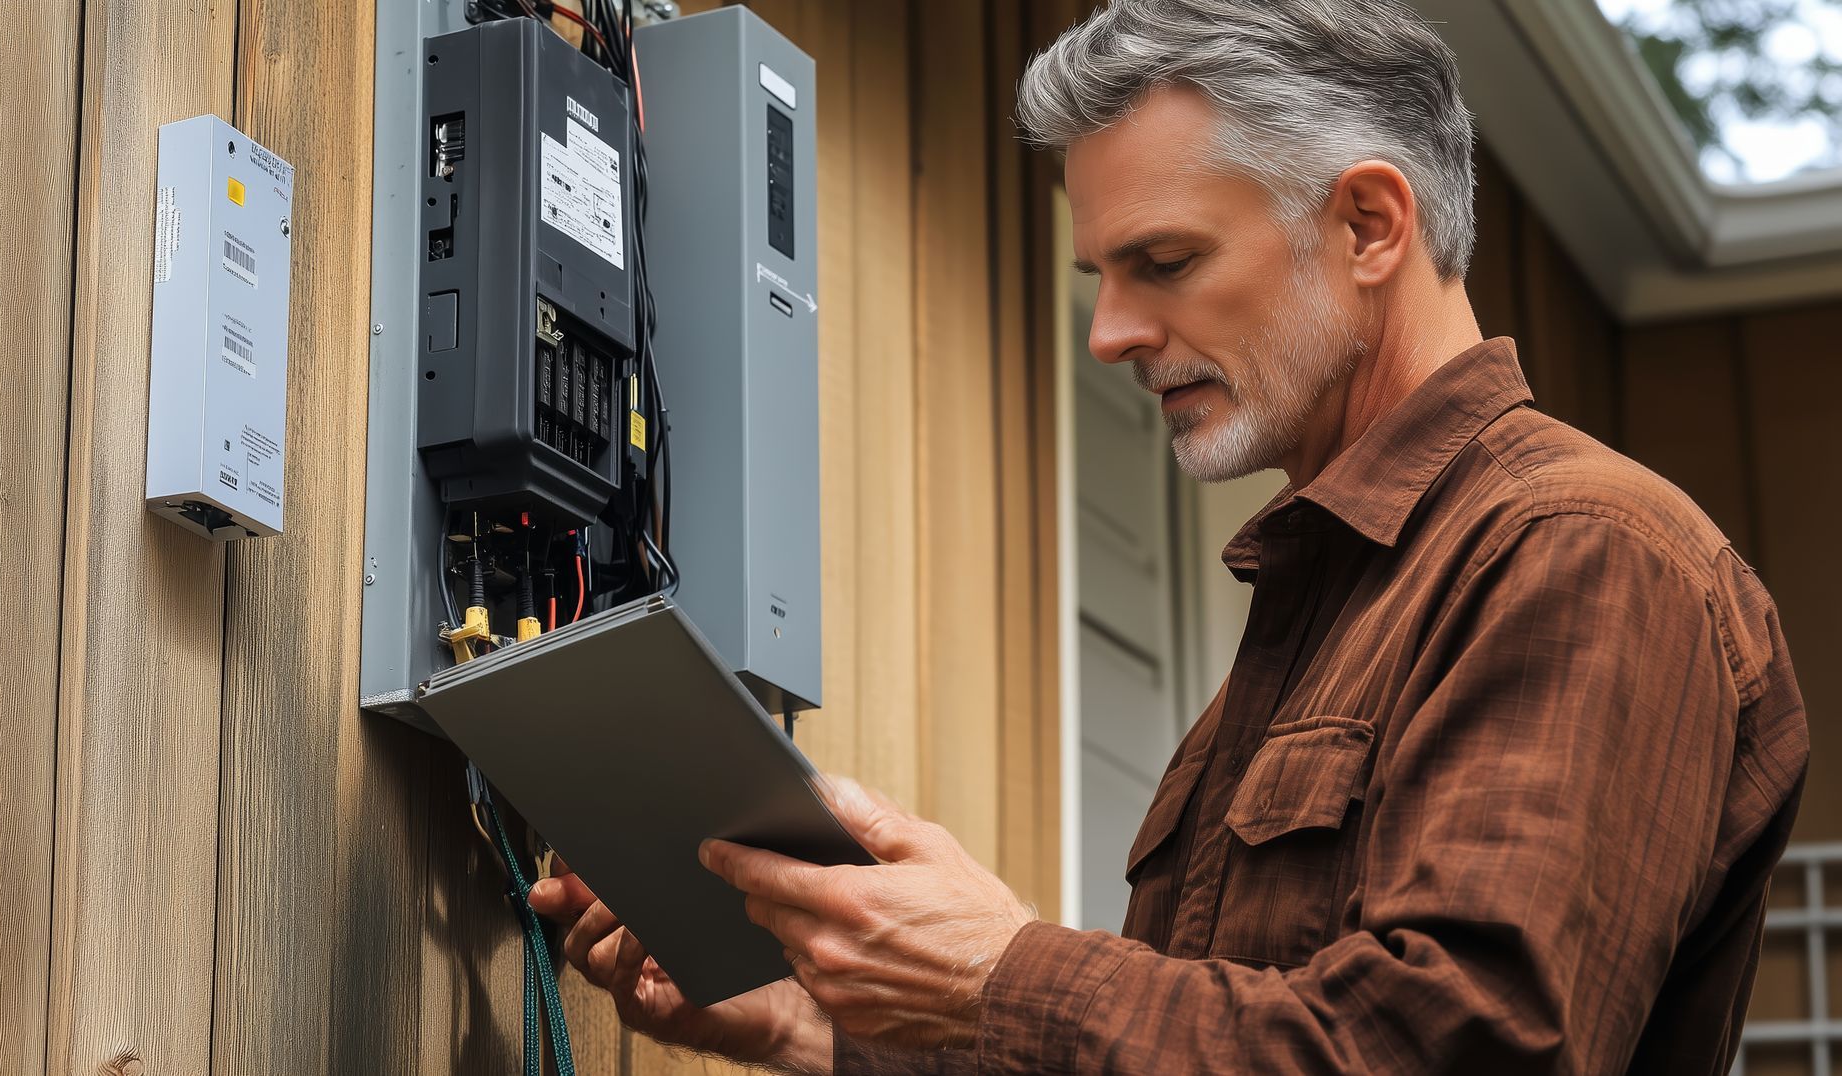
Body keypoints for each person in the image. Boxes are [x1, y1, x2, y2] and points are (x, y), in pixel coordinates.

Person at [530, 0, 1809, 1070]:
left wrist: (999, 967)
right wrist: (841, 1025)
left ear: (1370, 224)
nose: (1111, 334)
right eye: (1103, 278)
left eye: (1165, 260)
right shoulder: (1340, 589)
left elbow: (1451, 1050)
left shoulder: (1583, 553)